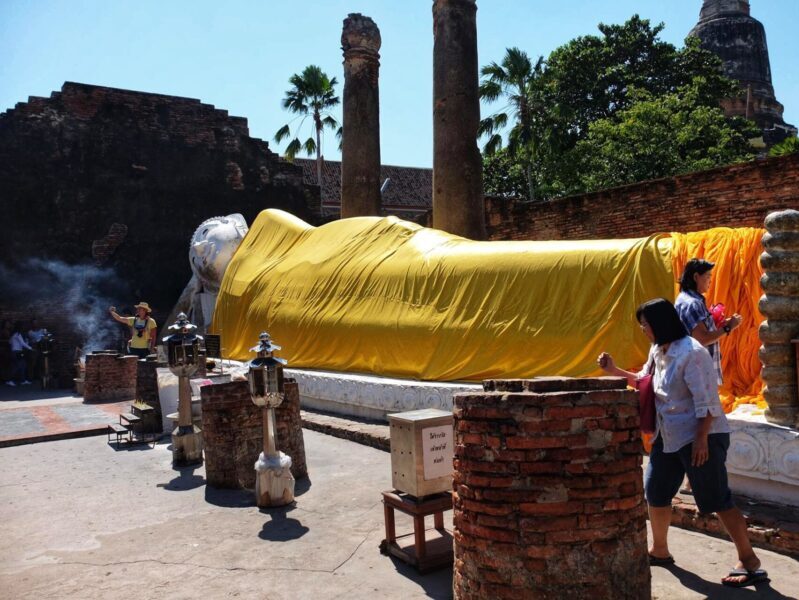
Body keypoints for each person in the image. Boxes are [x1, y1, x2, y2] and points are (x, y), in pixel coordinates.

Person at [597, 298, 766, 588]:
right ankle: (659, 550)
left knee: (716, 499)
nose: (643, 329)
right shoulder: (658, 350)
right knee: (656, 492)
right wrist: (616, 371)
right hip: (668, 434)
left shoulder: (692, 353)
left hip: (702, 434)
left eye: (646, 324)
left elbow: (708, 402)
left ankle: (749, 561)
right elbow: (646, 381)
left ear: (659, 324)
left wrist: (701, 440)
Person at [675, 258, 742, 385]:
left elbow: (695, 331)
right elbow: (701, 339)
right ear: (696, 277)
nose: (710, 281)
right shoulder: (693, 303)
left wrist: (718, 325)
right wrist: (728, 328)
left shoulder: (685, 299)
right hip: (699, 373)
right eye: (707, 276)